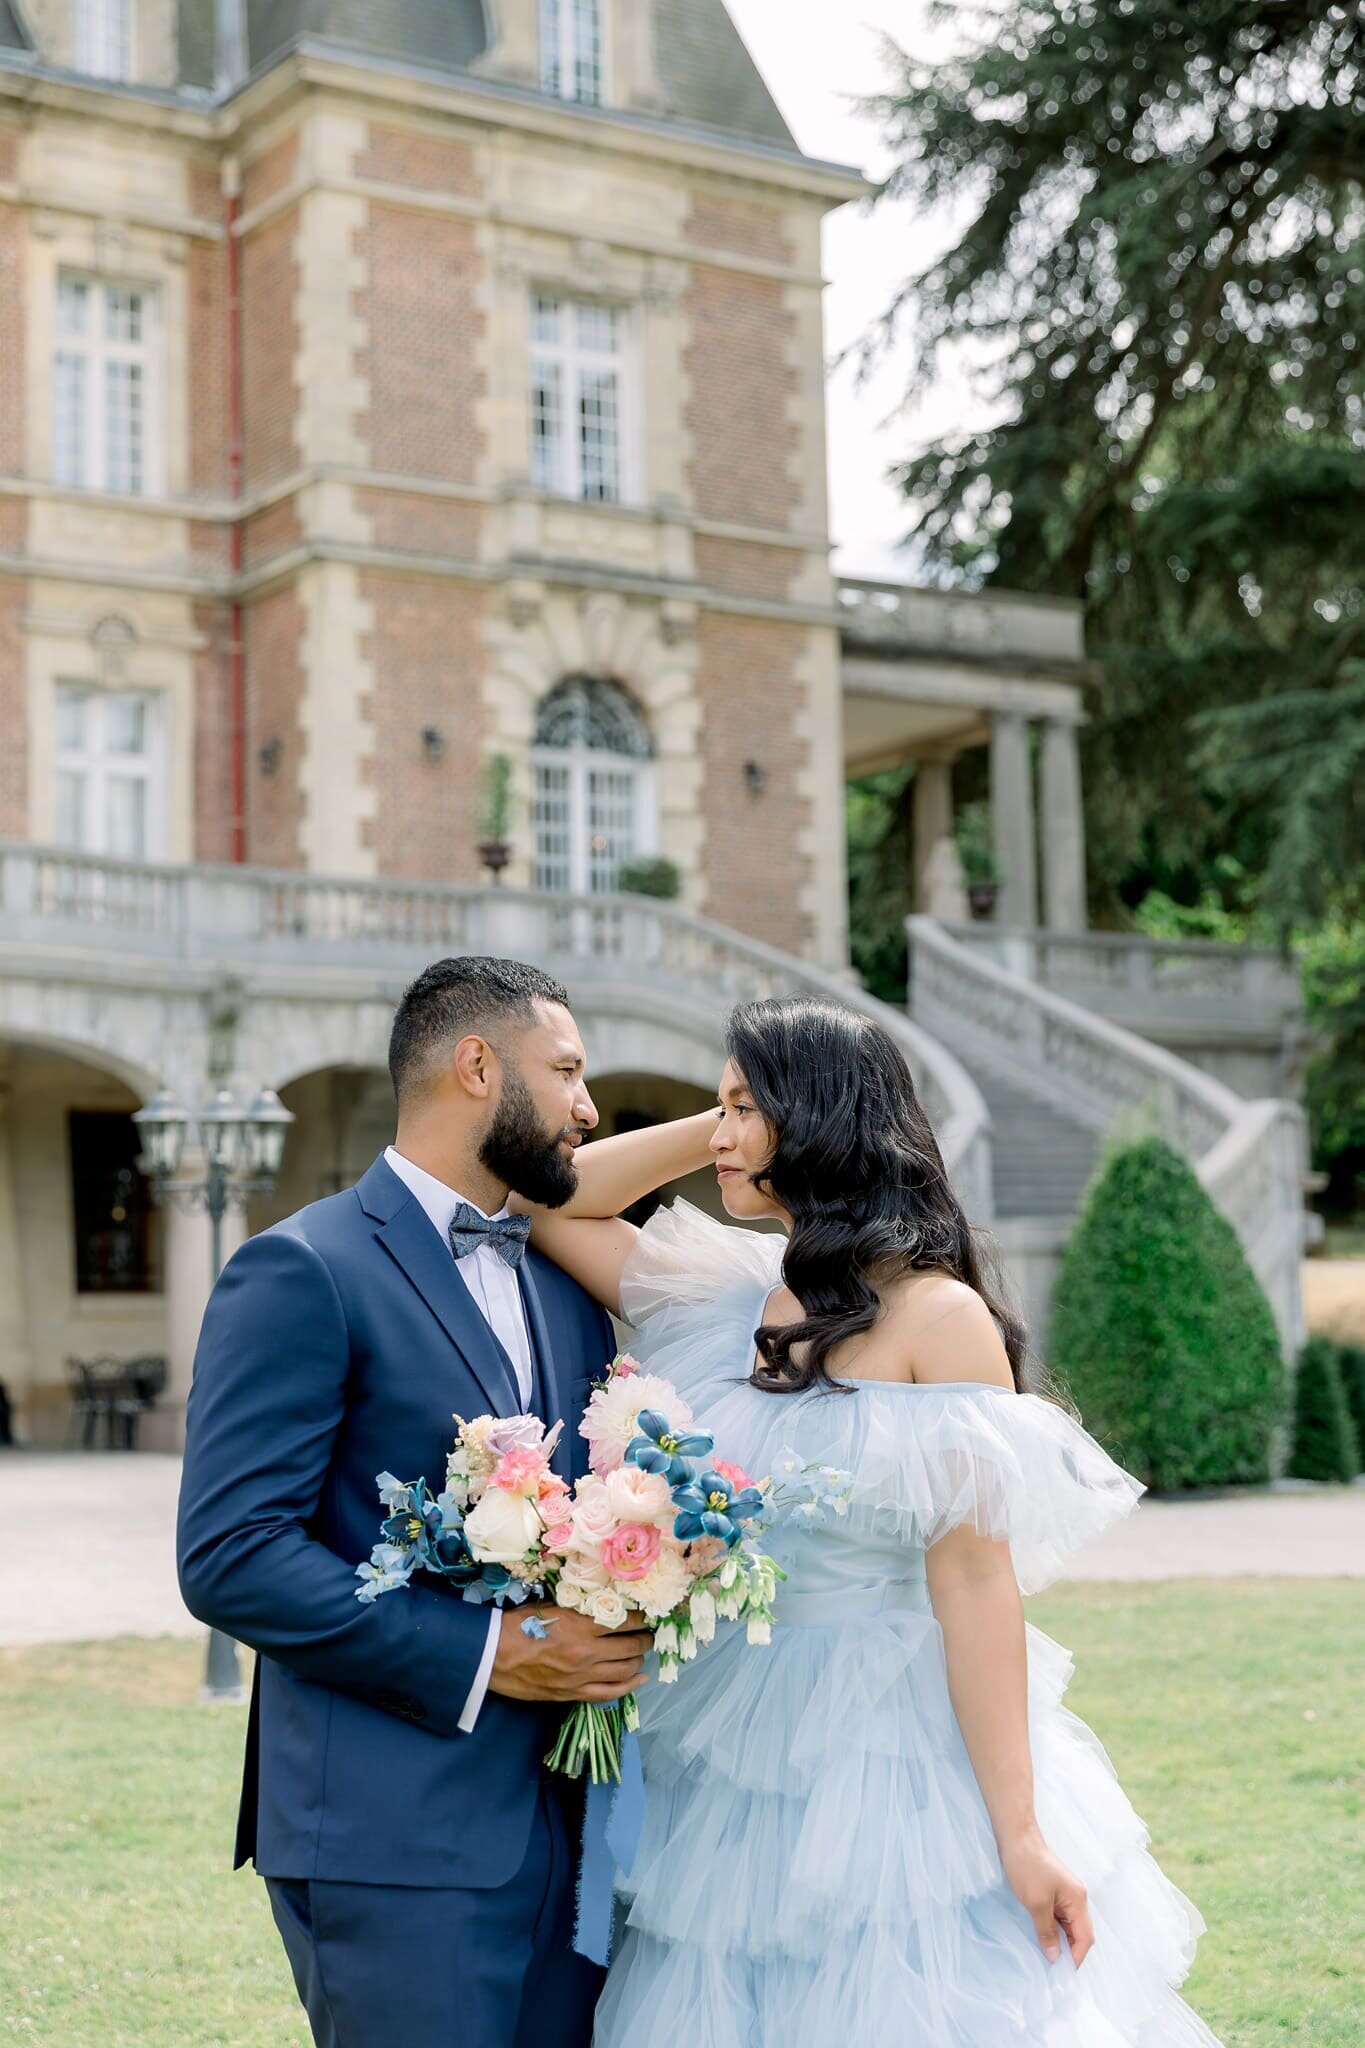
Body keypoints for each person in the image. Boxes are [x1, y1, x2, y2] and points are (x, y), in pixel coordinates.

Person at [516, 993, 1227, 2048]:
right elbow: (550, 1201)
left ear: (822, 1121)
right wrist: (720, 1122)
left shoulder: (940, 1319)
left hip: (888, 1743)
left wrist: (1020, 1832)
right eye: (720, 1106)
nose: (721, 1131)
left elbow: (975, 1581)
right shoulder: (726, 1289)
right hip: (728, 1733)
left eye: (747, 1107)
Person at [176, 957, 653, 2048]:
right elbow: (232, 1554)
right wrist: (490, 1650)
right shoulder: (301, 1266)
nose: (587, 1106)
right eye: (569, 1071)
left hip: (573, 1835)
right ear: (476, 1065)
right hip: (390, 1840)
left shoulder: (560, 1280)